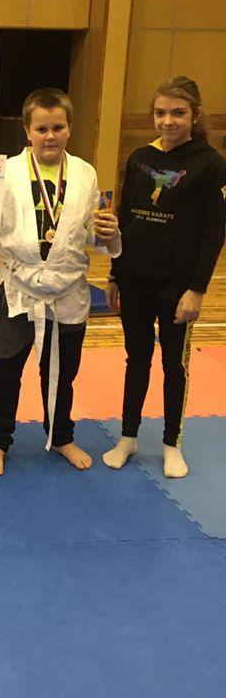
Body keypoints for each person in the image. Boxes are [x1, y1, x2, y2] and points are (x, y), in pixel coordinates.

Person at [0, 88, 121, 476]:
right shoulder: (6, 172)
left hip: (67, 291)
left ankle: (61, 436)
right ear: (27, 131)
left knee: (61, 373)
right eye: (41, 129)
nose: (50, 136)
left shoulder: (85, 173)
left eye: (58, 127)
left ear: (69, 128)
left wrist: (106, 233)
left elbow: (89, 234)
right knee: (4, 370)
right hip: (18, 289)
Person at [103, 76, 226, 478]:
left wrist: (196, 289)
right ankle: (128, 436)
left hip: (177, 285)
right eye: (160, 113)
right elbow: (125, 219)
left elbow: (214, 233)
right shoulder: (140, 157)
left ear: (195, 115)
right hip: (135, 278)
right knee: (136, 359)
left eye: (178, 113)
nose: (168, 121)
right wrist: (115, 273)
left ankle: (172, 443)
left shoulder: (210, 164)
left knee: (174, 364)